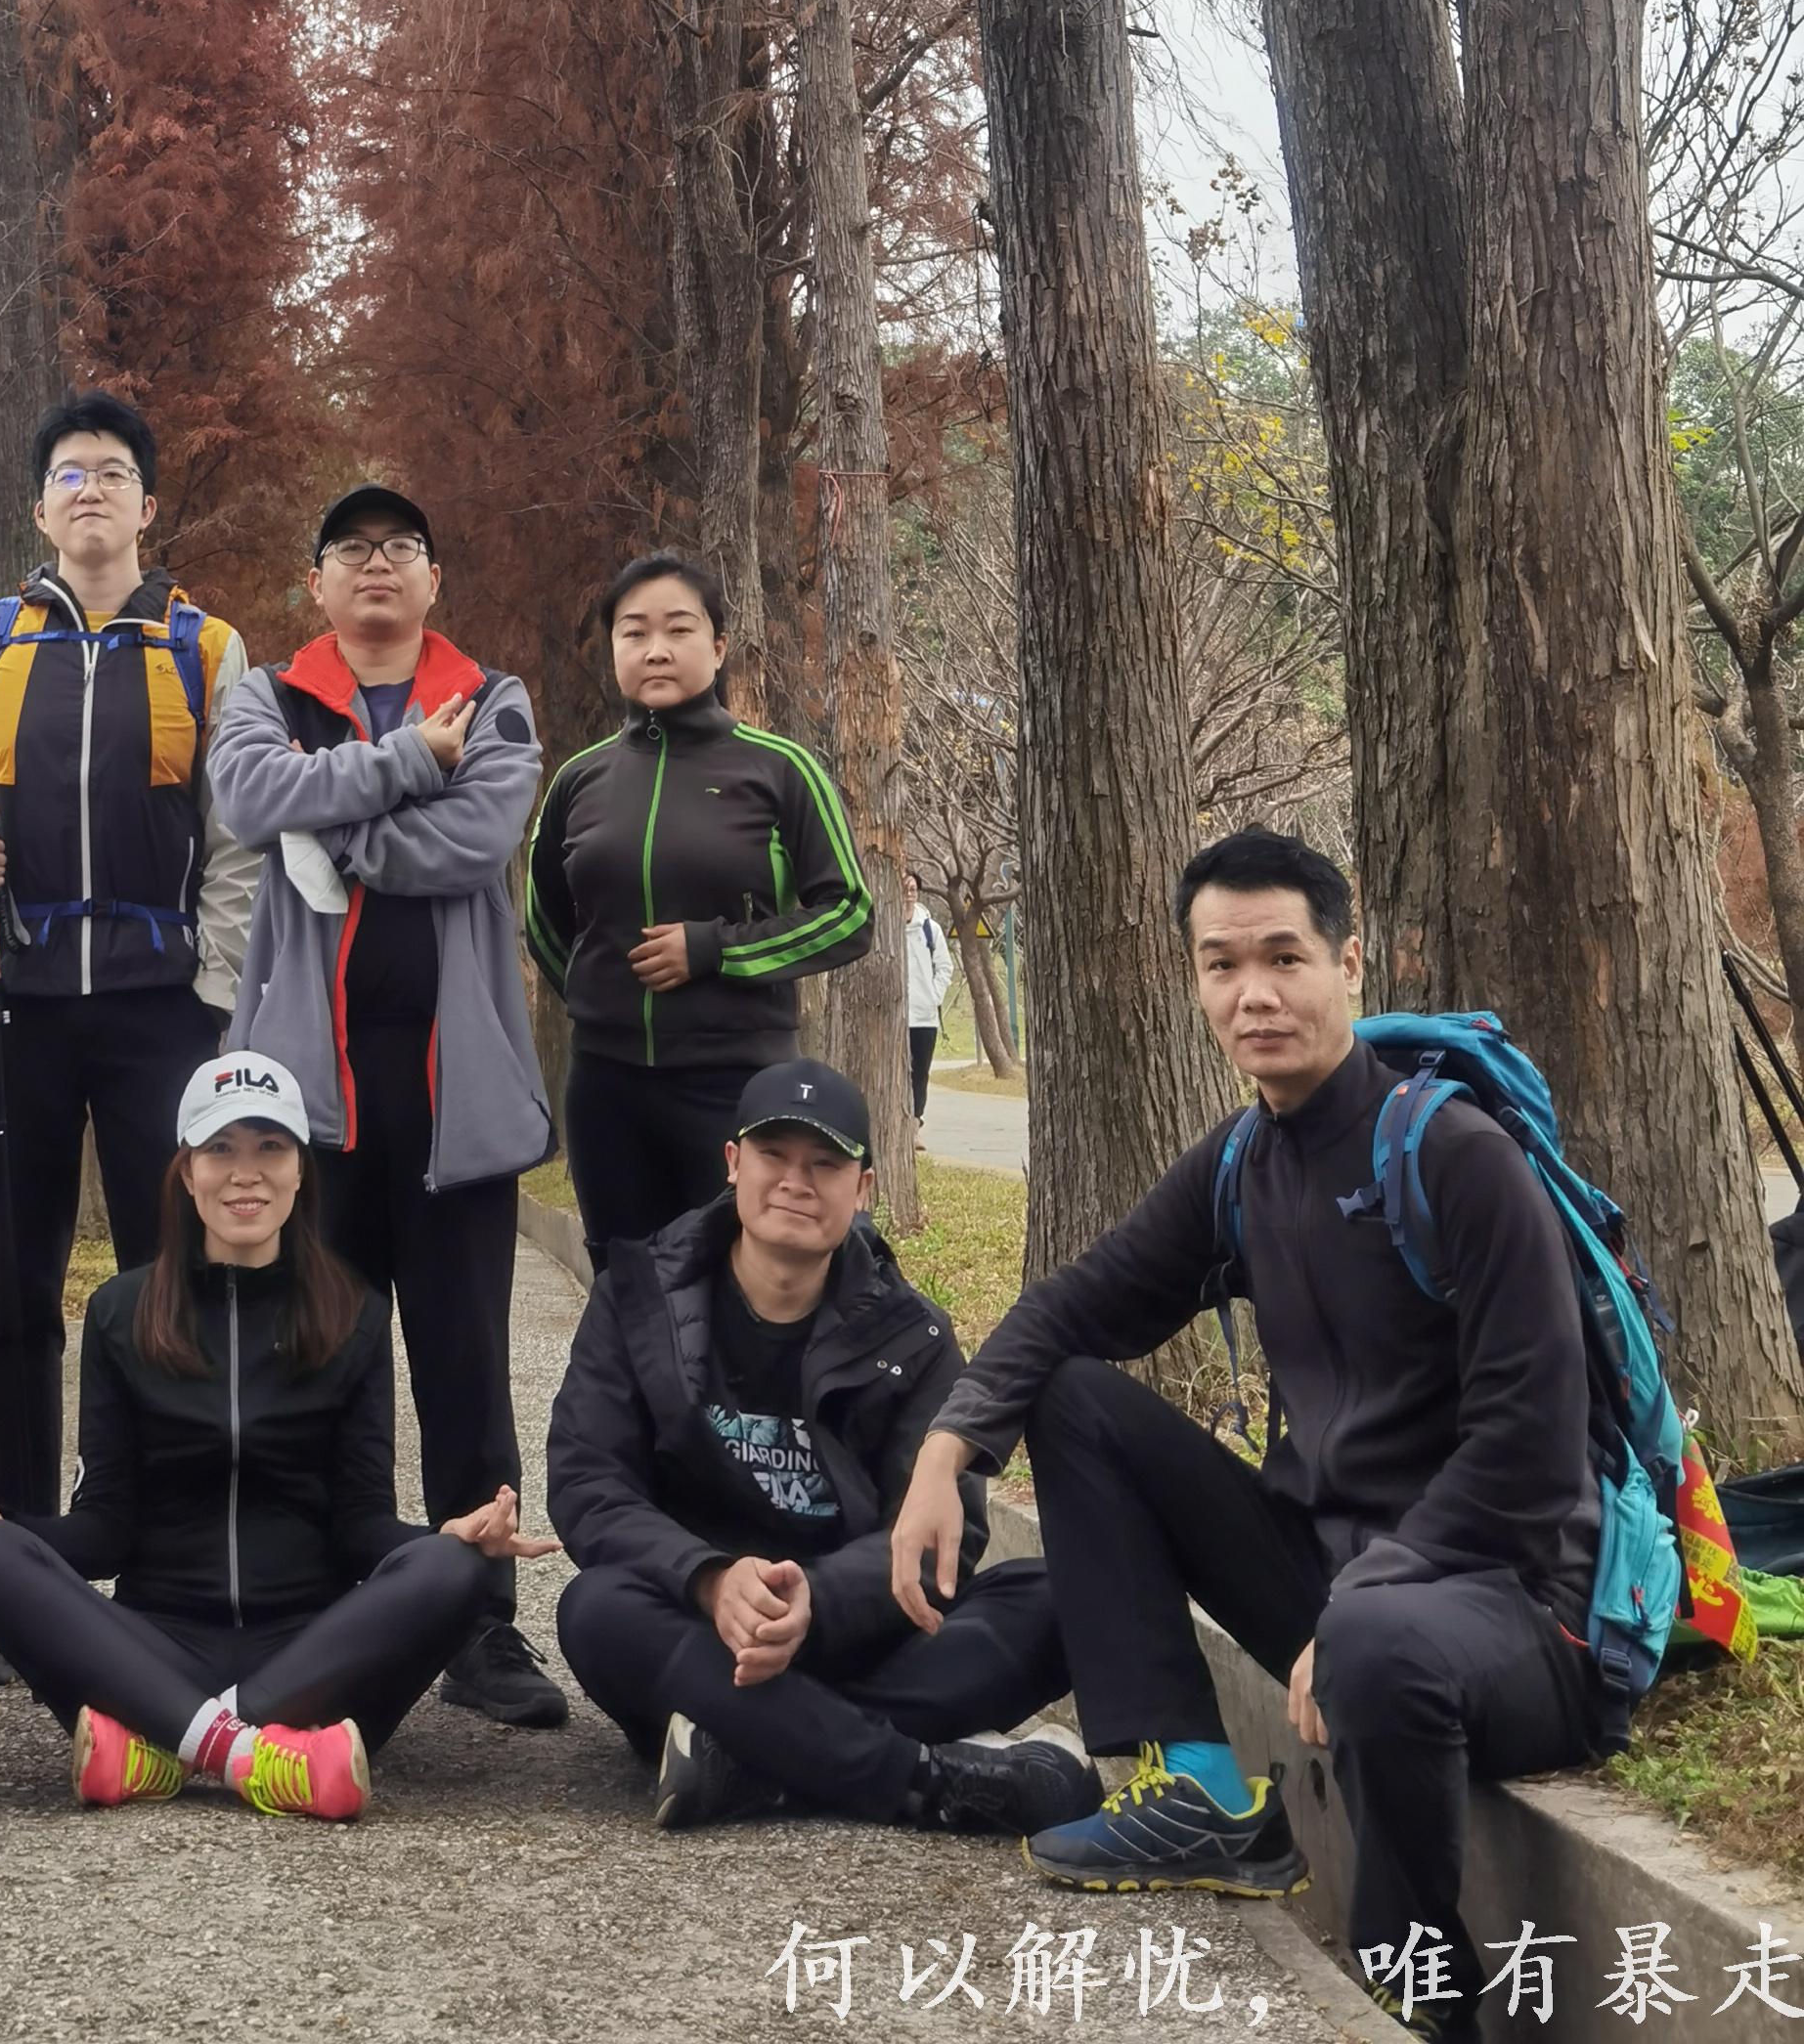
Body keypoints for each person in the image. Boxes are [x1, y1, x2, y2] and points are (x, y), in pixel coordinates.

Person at [888, 829, 1609, 2028]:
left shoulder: (1456, 1158)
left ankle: (1430, 1996)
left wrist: (1377, 1588)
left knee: (1375, 1640)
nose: (1253, 993)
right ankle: (1200, 1791)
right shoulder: (1243, 1161)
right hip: (1342, 1585)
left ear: (1349, 963)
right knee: (1071, 1393)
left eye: (1284, 956)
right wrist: (946, 1447)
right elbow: (1074, 1304)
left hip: (1515, 1604)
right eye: (1222, 964)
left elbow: (1532, 1452)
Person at [0, 1051, 536, 1818]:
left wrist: (445, 1539)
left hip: (309, 1653)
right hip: (153, 1648)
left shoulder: (355, 1312)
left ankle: (166, 1747)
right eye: (220, 1149)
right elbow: (104, 1531)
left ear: (300, 1171)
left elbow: (359, 1526)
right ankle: (257, 1756)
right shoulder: (120, 1313)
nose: (245, 1173)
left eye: (270, 1147)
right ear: (187, 1173)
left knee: (456, 1570)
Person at [0, 388, 255, 1680]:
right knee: (16, 1290)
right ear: (41, 506)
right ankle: (21, 1585)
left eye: (113, 471)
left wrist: (215, 995)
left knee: (172, 1285)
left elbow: (238, 833)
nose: (91, 489)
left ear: (147, 505)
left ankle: (171, 1574)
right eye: (70, 473)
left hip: (164, 1008)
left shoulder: (206, 647)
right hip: (17, 1000)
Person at [209, 479, 564, 1733]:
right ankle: (321, 1608)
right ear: (316, 581)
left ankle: (480, 1623)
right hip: (310, 1108)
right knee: (318, 1361)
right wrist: (410, 763)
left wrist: (335, 830)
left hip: (453, 1096)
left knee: (465, 1366)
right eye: (351, 549)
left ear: (432, 578)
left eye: (401, 546)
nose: (377, 564)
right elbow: (250, 801)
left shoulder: (494, 694)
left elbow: (477, 838)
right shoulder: (267, 692)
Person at [551, 1056, 1093, 1836]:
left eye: (825, 1165)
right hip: (699, 1630)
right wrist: (709, 1579)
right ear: (733, 1163)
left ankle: (746, 1759)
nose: (794, 1182)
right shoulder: (636, 1298)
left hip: (850, 1632)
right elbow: (587, 1485)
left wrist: (819, 1601)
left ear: (863, 1187)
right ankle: (917, 1779)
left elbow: (942, 1537)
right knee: (595, 1609)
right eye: (772, 1155)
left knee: (1061, 1596)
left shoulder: (915, 1335)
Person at [523, 551, 874, 1262]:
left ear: (717, 647)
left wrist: (716, 951)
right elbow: (544, 922)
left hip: (736, 1080)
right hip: (606, 1087)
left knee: (735, 1277)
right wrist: (603, 996)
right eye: (633, 632)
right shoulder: (578, 779)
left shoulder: (780, 769)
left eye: (678, 629)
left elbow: (848, 914)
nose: (655, 649)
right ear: (613, 649)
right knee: (625, 1281)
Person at [906, 887, 954, 1124]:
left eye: (912, 889)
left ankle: (915, 1122)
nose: (908, 894)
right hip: (895, 1017)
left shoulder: (930, 929)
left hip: (924, 1017)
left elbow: (945, 967)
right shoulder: (885, 927)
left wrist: (933, 997)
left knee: (920, 1073)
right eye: (904, 889)